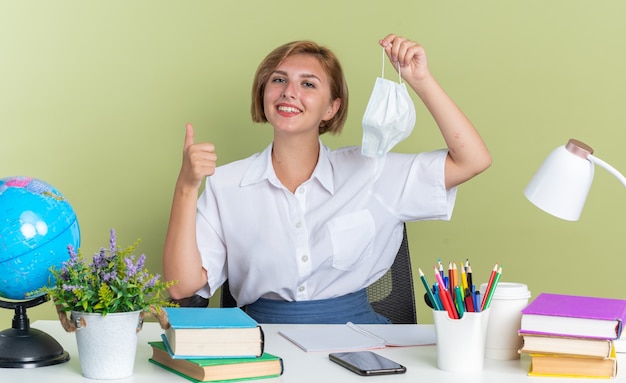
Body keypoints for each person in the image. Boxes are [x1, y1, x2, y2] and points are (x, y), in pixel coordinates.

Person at [162, 34, 491, 324]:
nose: (289, 92)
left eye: (308, 84)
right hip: (262, 341)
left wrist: (420, 79)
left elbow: (473, 160)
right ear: (264, 93)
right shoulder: (227, 183)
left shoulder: (372, 170)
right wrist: (186, 187)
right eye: (278, 80)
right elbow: (181, 286)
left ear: (332, 108)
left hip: (357, 338)